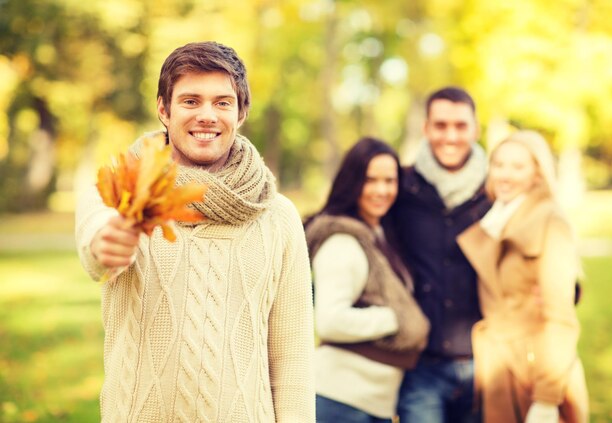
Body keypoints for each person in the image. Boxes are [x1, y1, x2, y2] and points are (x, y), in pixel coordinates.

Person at [75, 41, 315, 422]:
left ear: (241, 113)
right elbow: (97, 242)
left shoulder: (279, 217)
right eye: (190, 101)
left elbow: (292, 356)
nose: (207, 115)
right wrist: (110, 242)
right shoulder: (119, 193)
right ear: (163, 109)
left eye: (222, 102)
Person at [457, 130, 589, 423]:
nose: (505, 175)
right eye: (499, 165)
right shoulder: (496, 218)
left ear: (537, 173)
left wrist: (546, 398)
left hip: (538, 373)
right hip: (500, 371)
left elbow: (561, 319)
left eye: (518, 167)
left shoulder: (550, 221)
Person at [304, 137, 430, 423]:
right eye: (370, 180)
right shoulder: (342, 242)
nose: (381, 190)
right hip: (340, 402)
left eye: (390, 180)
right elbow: (330, 320)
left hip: (370, 405)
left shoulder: (379, 235)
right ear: (353, 183)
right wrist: (396, 319)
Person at [394, 86, 491, 423]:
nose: (450, 136)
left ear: (476, 129)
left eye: (461, 126)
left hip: (486, 364)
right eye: (441, 125)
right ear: (426, 128)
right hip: (421, 367)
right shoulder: (401, 187)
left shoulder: (496, 191)